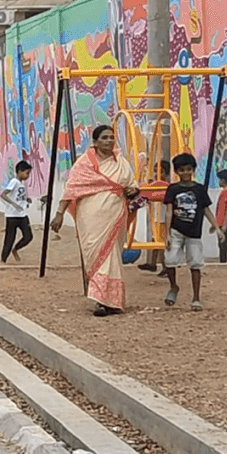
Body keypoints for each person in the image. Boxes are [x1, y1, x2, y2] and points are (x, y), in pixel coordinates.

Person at [49, 125, 139, 316]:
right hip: (91, 217)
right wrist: (59, 213)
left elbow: (132, 184)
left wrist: (133, 190)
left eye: (111, 138)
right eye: (104, 138)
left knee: (112, 256)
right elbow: (71, 189)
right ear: (95, 142)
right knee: (95, 255)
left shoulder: (121, 163)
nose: (109, 141)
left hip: (114, 216)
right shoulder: (84, 165)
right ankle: (99, 300)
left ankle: (112, 301)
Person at [162, 153, 216, 310]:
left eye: (188, 169)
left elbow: (206, 209)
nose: (185, 173)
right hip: (176, 230)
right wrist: (166, 235)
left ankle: (196, 298)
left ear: (193, 170)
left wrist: (216, 227)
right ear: (177, 171)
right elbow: (169, 212)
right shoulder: (173, 189)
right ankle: (173, 286)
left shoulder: (199, 189)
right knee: (170, 260)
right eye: (182, 170)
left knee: (196, 264)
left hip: (194, 233)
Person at [0, 160, 33, 263]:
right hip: (12, 215)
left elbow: (18, 197)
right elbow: (3, 195)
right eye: (26, 173)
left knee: (28, 236)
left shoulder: (21, 184)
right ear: (19, 171)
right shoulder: (14, 182)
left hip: (22, 214)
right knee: (9, 238)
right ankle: (3, 259)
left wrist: (26, 200)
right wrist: (13, 204)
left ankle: (16, 249)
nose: (27, 176)